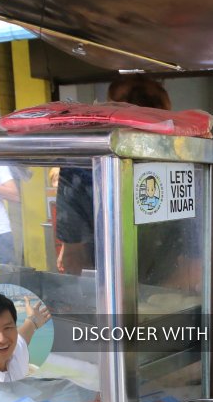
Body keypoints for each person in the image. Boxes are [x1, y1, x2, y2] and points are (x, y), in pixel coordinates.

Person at [55, 74, 172, 275]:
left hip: (105, 289)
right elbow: (193, 263)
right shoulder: (181, 163)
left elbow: (73, 257)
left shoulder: (81, 168)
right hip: (170, 293)